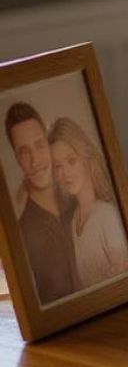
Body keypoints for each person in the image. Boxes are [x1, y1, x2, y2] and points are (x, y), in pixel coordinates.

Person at [5, 102, 81, 304]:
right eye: (24, 152)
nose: (35, 161)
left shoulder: (80, 205)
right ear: (17, 159)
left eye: (39, 145)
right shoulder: (20, 236)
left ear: (49, 145)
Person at [48, 117, 128, 289]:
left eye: (71, 161)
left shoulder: (107, 216)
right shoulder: (73, 222)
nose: (65, 173)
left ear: (87, 159)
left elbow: (125, 286)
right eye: (58, 166)